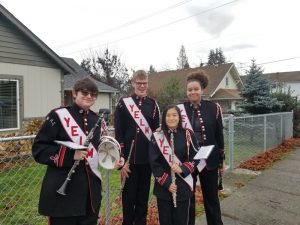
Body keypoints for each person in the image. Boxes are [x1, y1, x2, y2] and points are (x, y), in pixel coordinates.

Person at [32, 77, 124, 225]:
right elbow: (39, 149)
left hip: (89, 195)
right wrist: (69, 155)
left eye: (93, 94)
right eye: (85, 92)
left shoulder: (98, 121)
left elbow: (102, 149)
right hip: (63, 194)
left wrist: (114, 160)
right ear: (75, 93)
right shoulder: (58, 115)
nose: (89, 96)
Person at [177, 70, 225, 225]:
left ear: (202, 90)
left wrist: (221, 161)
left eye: (196, 89)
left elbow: (219, 136)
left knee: (211, 198)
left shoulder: (214, 108)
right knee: (188, 198)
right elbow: (170, 126)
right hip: (189, 160)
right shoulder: (179, 109)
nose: (192, 92)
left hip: (209, 159)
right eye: (189, 89)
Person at [114, 70, 160, 225]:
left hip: (146, 161)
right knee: (128, 200)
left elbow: (156, 135)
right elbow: (118, 132)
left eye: (144, 83)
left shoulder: (153, 105)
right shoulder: (123, 102)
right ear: (133, 83)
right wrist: (121, 161)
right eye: (138, 83)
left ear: (147, 83)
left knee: (142, 200)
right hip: (128, 162)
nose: (142, 86)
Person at [149, 104, 199, 225]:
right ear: (164, 118)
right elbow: (154, 163)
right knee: (165, 221)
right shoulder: (157, 136)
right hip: (164, 188)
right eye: (168, 115)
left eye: (174, 115)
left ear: (179, 117)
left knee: (181, 221)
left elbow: (196, 157)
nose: (171, 118)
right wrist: (167, 183)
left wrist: (183, 168)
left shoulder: (188, 134)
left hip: (183, 185)